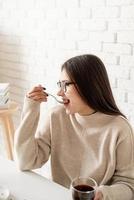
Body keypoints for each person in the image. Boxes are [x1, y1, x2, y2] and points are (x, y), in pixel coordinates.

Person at [14, 54, 134, 200]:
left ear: (88, 86)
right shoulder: (56, 117)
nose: (59, 92)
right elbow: (25, 161)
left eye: (65, 85)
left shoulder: (119, 129)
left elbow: (128, 185)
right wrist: (31, 108)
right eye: (60, 85)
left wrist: (103, 194)